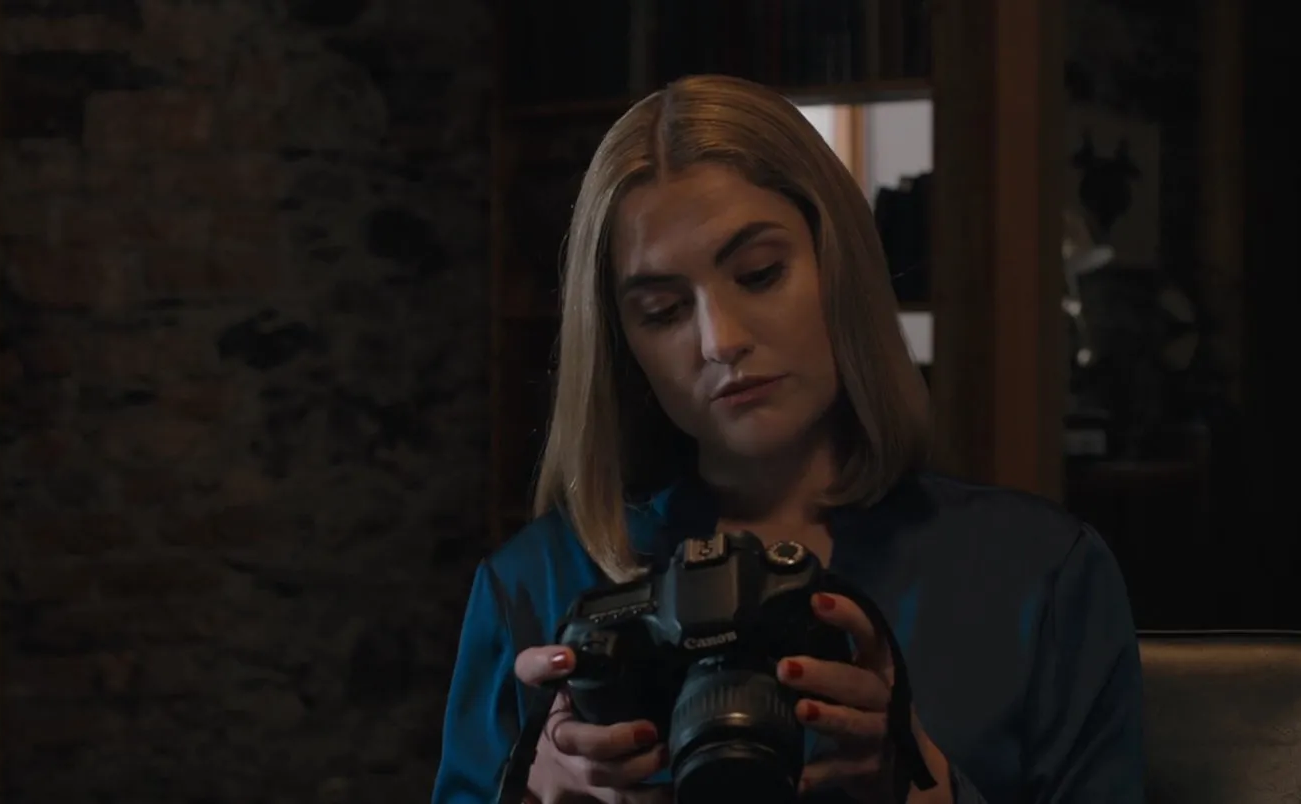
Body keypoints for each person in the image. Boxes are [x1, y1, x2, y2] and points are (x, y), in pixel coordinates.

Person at [433, 74, 1145, 803]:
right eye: (664, 310)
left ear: (841, 267)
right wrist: (529, 794)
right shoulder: (534, 586)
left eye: (760, 274)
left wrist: (924, 791)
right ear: (623, 346)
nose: (721, 340)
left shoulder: (1038, 574)